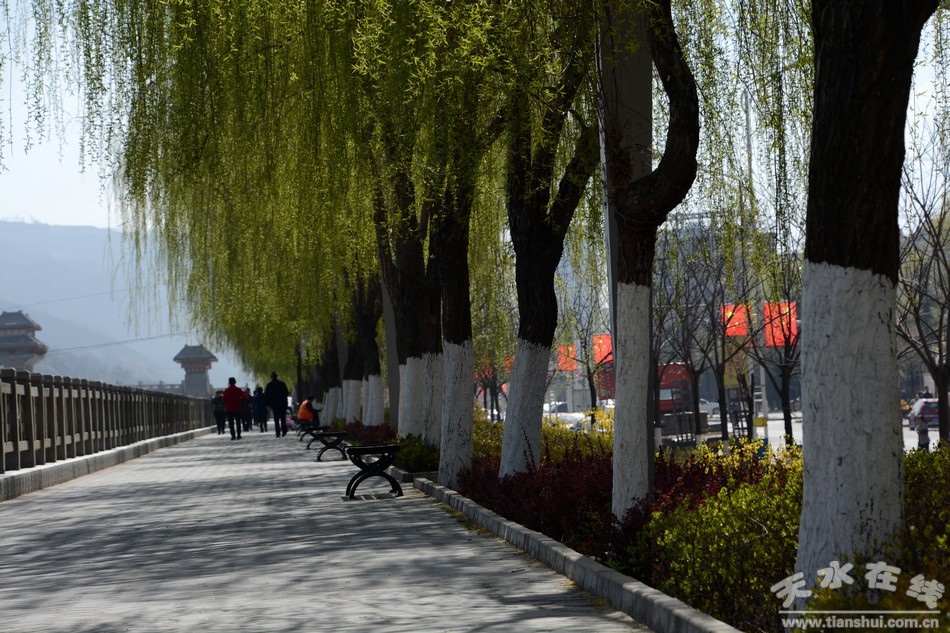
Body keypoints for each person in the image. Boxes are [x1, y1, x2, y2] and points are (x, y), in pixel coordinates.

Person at [264, 372, 291, 438]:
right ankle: (284, 430)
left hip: (274, 404)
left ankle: (277, 432)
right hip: (282, 403)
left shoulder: (269, 385)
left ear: (271, 377)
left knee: (276, 418)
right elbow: (286, 393)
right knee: (283, 417)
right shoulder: (282, 384)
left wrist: (269, 404)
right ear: (277, 376)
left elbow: (266, 396)